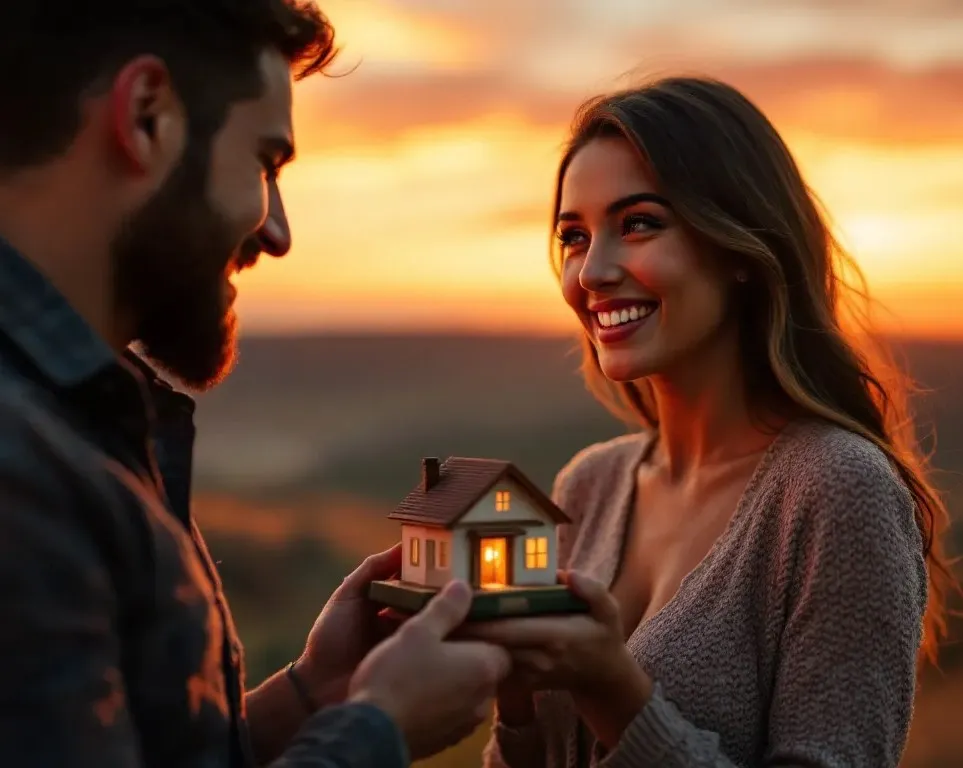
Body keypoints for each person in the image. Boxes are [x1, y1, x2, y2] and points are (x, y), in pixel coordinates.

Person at [0, 2, 510, 766]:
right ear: (145, 118)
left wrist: (312, 694)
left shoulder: (81, 422)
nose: (278, 231)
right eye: (265, 163)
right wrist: (379, 729)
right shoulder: (22, 472)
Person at [470, 76, 957, 767]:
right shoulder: (590, 484)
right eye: (573, 237)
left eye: (638, 223)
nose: (593, 272)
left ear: (738, 249)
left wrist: (616, 693)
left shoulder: (837, 491)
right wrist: (516, 704)